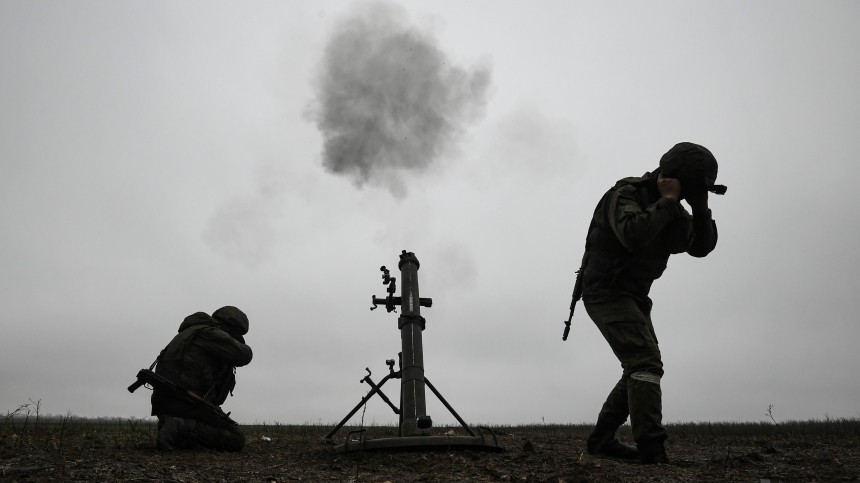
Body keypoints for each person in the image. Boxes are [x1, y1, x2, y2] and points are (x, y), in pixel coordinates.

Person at [580, 142, 722, 464]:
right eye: (694, 189)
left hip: (634, 297)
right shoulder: (626, 195)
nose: (691, 196)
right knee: (644, 364)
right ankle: (651, 450)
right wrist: (669, 201)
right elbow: (632, 234)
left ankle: (601, 443)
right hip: (605, 291)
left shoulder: (676, 211)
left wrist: (700, 209)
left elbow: (700, 248)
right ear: (674, 179)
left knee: (639, 366)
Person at [151, 306, 253, 452]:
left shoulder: (191, 332)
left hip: (171, 401)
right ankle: (180, 428)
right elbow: (244, 355)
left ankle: (178, 428)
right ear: (231, 326)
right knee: (236, 439)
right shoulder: (210, 333)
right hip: (186, 403)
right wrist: (236, 341)